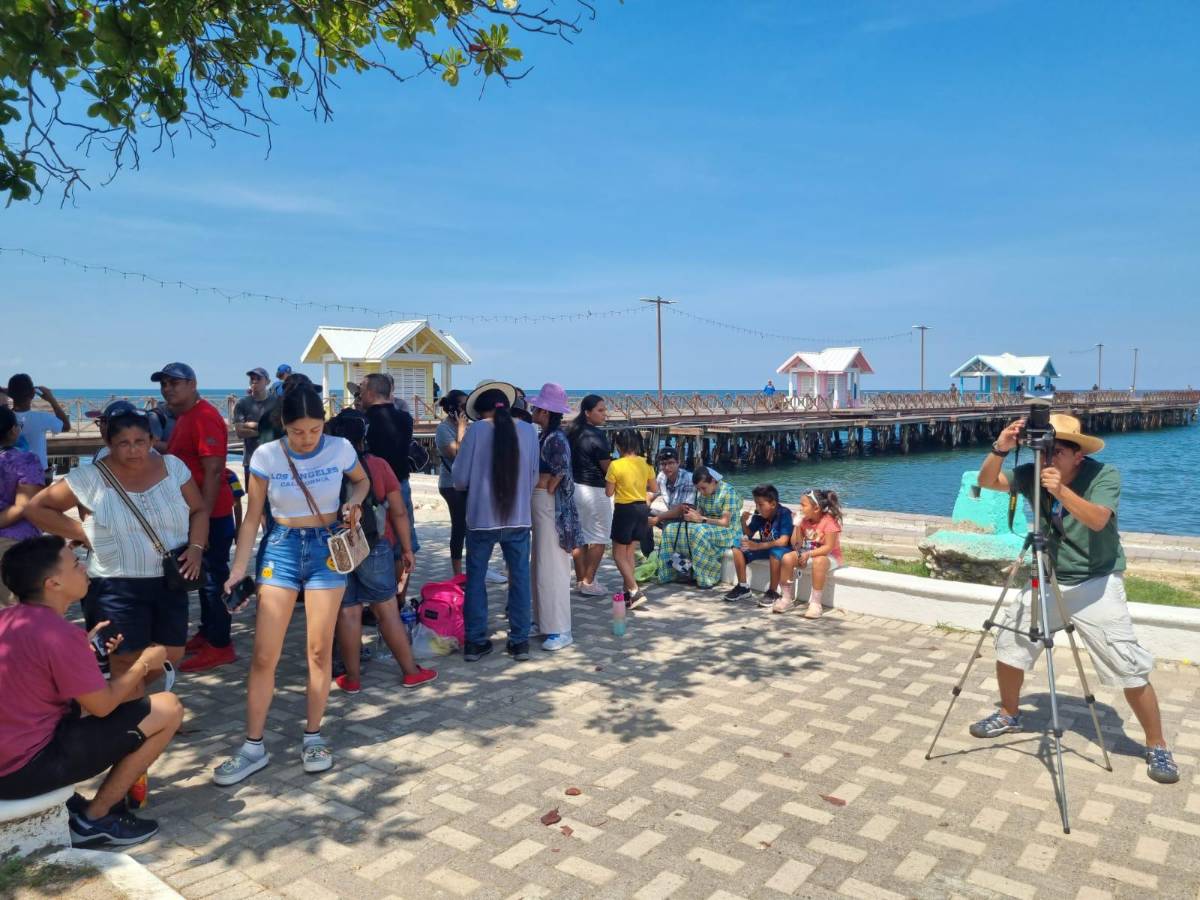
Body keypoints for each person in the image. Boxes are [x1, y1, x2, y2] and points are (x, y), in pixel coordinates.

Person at [972, 414, 1179, 785]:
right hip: (1048, 577)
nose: (1046, 456)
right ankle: (1009, 712)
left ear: (1077, 455)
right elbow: (987, 481)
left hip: (1096, 583)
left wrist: (1060, 492)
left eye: (1056, 450)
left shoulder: (1103, 476)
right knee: (1009, 642)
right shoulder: (1031, 472)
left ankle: (1157, 744)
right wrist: (1001, 448)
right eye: (1041, 449)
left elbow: (1099, 520)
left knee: (1126, 663)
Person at [213, 386, 370, 785]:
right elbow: (251, 519)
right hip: (281, 548)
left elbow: (362, 482)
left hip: (328, 549)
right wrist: (238, 568)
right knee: (265, 655)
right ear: (284, 426)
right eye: (298, 431)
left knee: (319, 651)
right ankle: (253, 747)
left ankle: (313, 736)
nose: (307, 439)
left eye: (315, 430)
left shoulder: (340, 447)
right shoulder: (267, 456)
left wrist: (355, 502)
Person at [0, 536, 184, 848]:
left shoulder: (9, 621)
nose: (84, 568)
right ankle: (94, 819)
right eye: (75, 564)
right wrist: (142, 664)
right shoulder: (59, 634)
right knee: (168, 708)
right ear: (53, 583)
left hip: (11, 761)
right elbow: (102, 706)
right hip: (23, 770)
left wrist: (84, 651)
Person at [24, 407, 208, 688]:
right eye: (124, 443)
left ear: (151, 439)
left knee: (171, 652)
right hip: (114, 585)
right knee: (125, 660)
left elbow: (198, 510)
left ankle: (129, 708)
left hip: (171, 581)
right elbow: (36, 508)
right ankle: (131, 722)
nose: (133, 450)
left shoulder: (173, 467)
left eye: (140, 442)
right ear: (109, 444)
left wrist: (195, 547)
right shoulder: (90, 478)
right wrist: (85, 533)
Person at [325, 411, 435, 693]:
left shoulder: (324, 469)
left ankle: (352, 679)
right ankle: (410, 671)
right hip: (373, 545)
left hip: (335, 548)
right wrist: (407, 549)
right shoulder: (377, 466)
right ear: (363, 438)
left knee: (347, 612)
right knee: (386, 610)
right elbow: (398, 512)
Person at [148, 363, 237, 674]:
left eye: (174, 383)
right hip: (195, 512)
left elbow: (214, 470)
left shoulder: (205, 417)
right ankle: (207, 633)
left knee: (214, 579)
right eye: (164, 384)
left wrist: (205, 520)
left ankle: (221, 644)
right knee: (200, 577)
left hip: (213, 513)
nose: (167, 389)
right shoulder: (186, 417)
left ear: (193, 384)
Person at [451, 382, 539, 662]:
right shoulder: (529, 430)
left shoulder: (475, 431)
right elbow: (534, 476)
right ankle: (519, 641)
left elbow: (460, 480)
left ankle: (476, 643)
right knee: (520, 578)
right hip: (518, 517)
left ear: (481, 412)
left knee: (476, 580)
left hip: (480, 518)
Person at [528, 383, 580, 651]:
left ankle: (560, 627)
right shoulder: (547, 436)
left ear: (546, 411)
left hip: (551, 506)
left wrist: (548, 487)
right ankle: (544, 621)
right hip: (543, 503)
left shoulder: (556, 439)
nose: (533, 410)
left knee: (552, 568)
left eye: (537, 407)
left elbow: (561, 471)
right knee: (540, 565)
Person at [360, 373, 420, 601]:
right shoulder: (405, 418)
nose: (359, 394)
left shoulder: (364, 420)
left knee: (374, 540)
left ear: (371, 392)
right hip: (401, 483)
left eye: (362, 390)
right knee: (404, 543)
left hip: (371, 487)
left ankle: (379, 601)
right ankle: (398, 599)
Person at [654, 467, 741, 590]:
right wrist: (691, 516)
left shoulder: (728, 492)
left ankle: (705, 577)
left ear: (713, 481)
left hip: (728, 531)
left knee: (698, 532)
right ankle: (672, 572)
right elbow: (699, 513)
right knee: (670, 529)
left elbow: (725, 522)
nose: (701, 491)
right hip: (707, 526)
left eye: (703, 488)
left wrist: (701, 519)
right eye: (698, 489)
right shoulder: (703, 493)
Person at [605, 430, 656, 610]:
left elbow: (609, 492)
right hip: (642, 509)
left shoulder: (616, 465)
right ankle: (628, 593)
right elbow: (654, 487)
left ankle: (635, 590)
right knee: (629, 553)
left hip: (624, 509)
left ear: (618, 446)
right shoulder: (646, 463)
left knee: (617, 553)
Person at [567, 394, 612, 596]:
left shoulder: (572, 432)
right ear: (587, 412)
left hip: (576, 489)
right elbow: (607, 468)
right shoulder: (597, 435)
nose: (605, 414)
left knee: (582, 537)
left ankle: (580, 580)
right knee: (600, 537)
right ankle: (589, 581)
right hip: (594, 489)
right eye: (600, 410)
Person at [773, 489, 842, 616]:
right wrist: (797, 526)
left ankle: (815, 603)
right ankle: (786, 598)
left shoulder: (829, 521)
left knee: (819, 560)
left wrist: (808, 554)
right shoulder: (804, 521)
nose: (800, 508)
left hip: (829, 556)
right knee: (787, 558)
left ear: (816, 508)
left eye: (803, 505)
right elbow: (796, 544)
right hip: (809, 553)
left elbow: (828, 547)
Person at [0, 406, 44, 605]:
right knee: (16, 611)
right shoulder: (25, 460)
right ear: (13, 431)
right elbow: (23, 506)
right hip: (15, 543)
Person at [724, 484, 794, 604]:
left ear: (772, 504)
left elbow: (783, 541)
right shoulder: (759, 516)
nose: (757, 507)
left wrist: (758, 546)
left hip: (782, 549)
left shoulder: (784, 513)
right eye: (756, 504)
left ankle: (773, 591)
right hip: (765, 546)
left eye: (760, 504)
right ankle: (743, 587)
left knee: (775, 552)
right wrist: (743, 522)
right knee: (737, 544)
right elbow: (749, 533)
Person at [1, 374, 70, 478]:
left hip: (10, 473)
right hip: (38, 474)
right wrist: (51, 399)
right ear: (33, 394)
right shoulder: (42, 418)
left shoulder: (4, 417)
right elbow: (66, 426)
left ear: (10, 394)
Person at [435, 390, 470, 576]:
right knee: (459, 526)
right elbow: (458, 454)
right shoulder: (443, 429)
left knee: (470, 525)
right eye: (463, 406)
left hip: (467, 483)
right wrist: (462, 429)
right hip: (451, 485)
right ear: (452, 408)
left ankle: (474, 567)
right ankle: (457, 573)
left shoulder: (467, 426)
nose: (467, 410)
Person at [233, 368, 272, 483]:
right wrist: (265, 430)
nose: (254, 381)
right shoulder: (242, 404)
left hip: (274, 461)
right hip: (251, 460)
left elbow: (281, 430)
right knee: (254, 499)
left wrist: (251, 425)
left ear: (268, 382)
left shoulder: (277, 402)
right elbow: (239, 432)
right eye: (252, 378)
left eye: (258, 378)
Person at [648, 447, 695, 529]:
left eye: (671, 463)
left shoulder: (688, 479)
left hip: (687, 518)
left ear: (678, 463)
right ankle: (648, 542)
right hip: (671, 513)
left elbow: (683, 509)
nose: (667, 467)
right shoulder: (662, 476)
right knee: (643, 515)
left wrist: (658, 518)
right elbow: (651, 494)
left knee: (668, 523)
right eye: (663, 464)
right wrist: (646, 505)